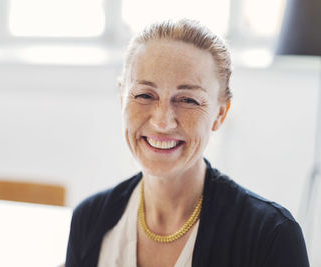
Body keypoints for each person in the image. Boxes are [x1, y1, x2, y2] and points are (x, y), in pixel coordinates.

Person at [65, 19, 309, 267]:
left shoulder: (270, 236)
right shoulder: (89, 220)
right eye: (145, 95)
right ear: (122, 99)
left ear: (220, 114)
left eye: (189, 100)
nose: (162, 122)